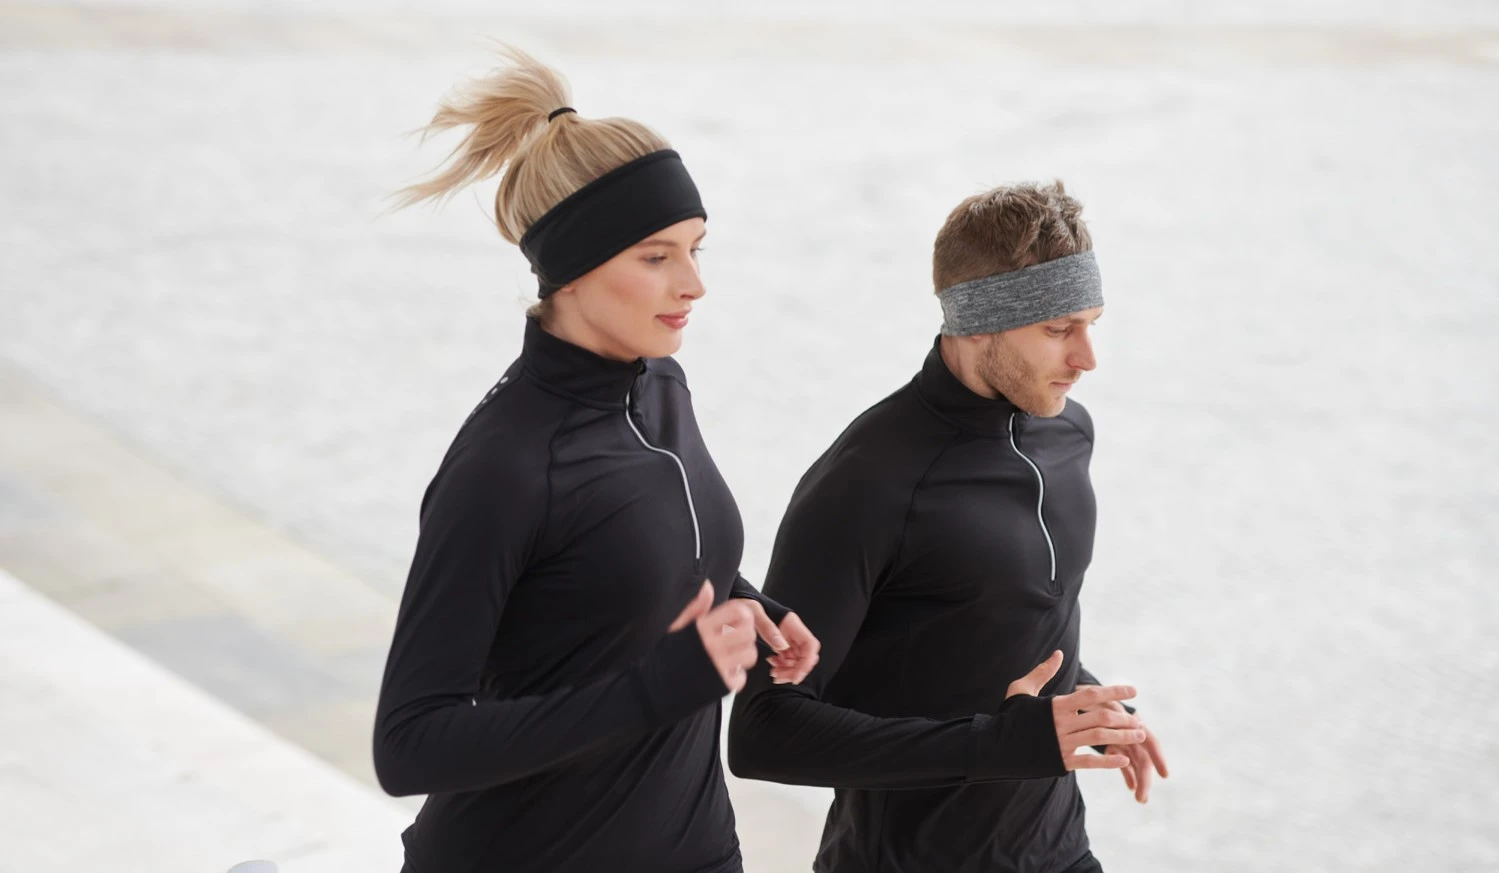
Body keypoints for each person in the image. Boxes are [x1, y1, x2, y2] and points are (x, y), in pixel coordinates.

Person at [372, 47, 820, 873]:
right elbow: (408, 744)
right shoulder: (502, 466)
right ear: (571, 269)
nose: (692, 284)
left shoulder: (662, 389)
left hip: (697, 850)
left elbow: (638, 561)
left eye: (697, 248)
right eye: (656, 256)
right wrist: (655, 686)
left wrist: (749, 603)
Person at [727, 182, 1167, 873]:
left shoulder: (1065, 433)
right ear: (978, 322)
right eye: (1057, 330)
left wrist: (1087, 709)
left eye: (1091, 323)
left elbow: (996, 624)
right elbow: (762, 734)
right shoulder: (867, 481)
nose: (1086, 357)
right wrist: (996, 745)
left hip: (1057, 853)